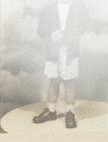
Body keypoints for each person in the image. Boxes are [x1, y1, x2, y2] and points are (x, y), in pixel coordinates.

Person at [31, 0, 89, 129]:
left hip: (70, 50)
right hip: (52, 50)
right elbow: (41, 30)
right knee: (53, 81)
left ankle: (70, 113)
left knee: (70, 81)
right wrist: (51, 35)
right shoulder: (48, 8)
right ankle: (51, 111)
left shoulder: (79, 6)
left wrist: (69, 36)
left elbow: (84, 25)